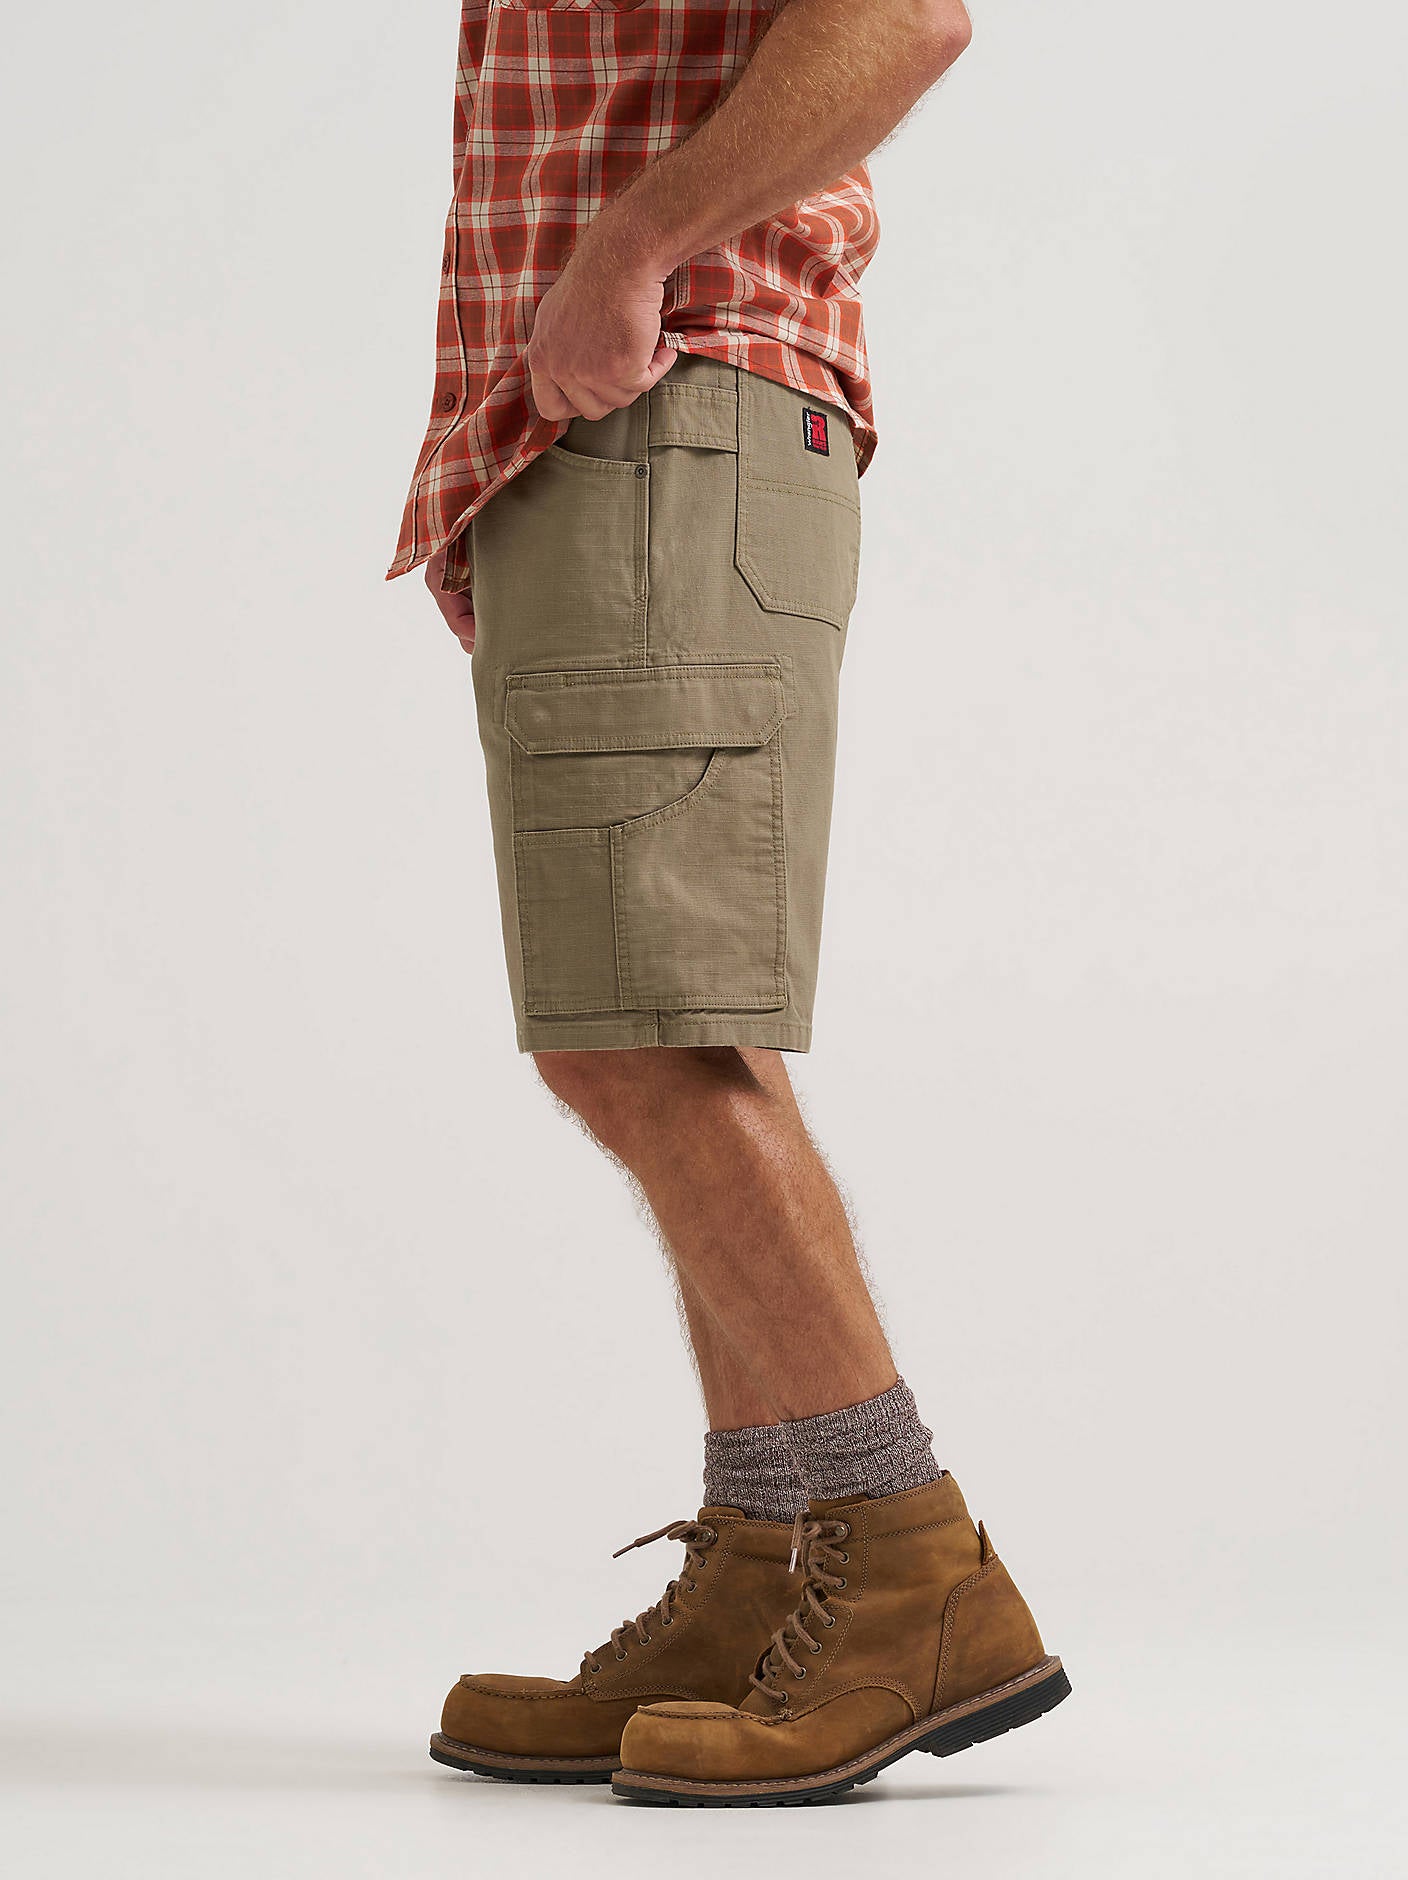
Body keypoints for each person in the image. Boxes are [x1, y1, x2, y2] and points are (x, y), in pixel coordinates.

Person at [389, 0, 1068, 1807]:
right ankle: (769, 1562)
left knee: (646, 1035)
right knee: (657, 1022)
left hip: (673, 397)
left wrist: (630, 251)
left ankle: (909, 1559)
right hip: (618, 429)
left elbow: (902, 16)